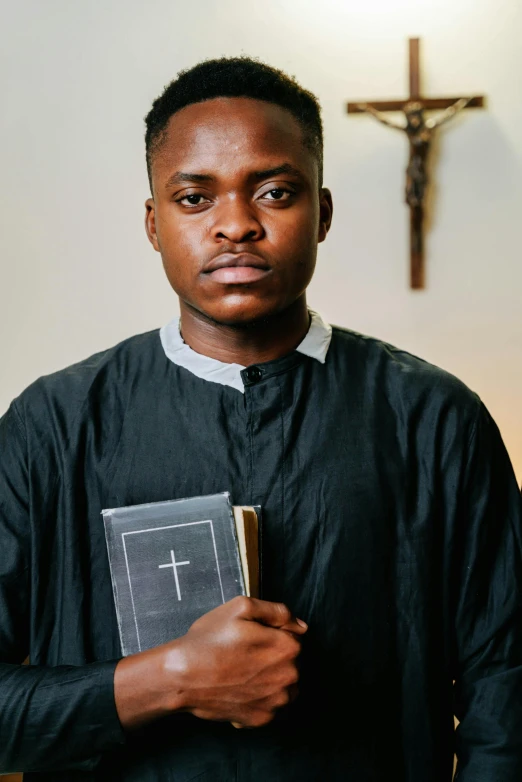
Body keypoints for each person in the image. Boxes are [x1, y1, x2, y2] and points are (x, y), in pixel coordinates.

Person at [0, 57, 521, 782]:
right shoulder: (51, 426)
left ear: (323, 213)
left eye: (275, 192)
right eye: (194, 198)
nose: (236, 225)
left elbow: (510, 692)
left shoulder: (434, 418)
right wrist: (173, 675)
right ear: (154, 224)